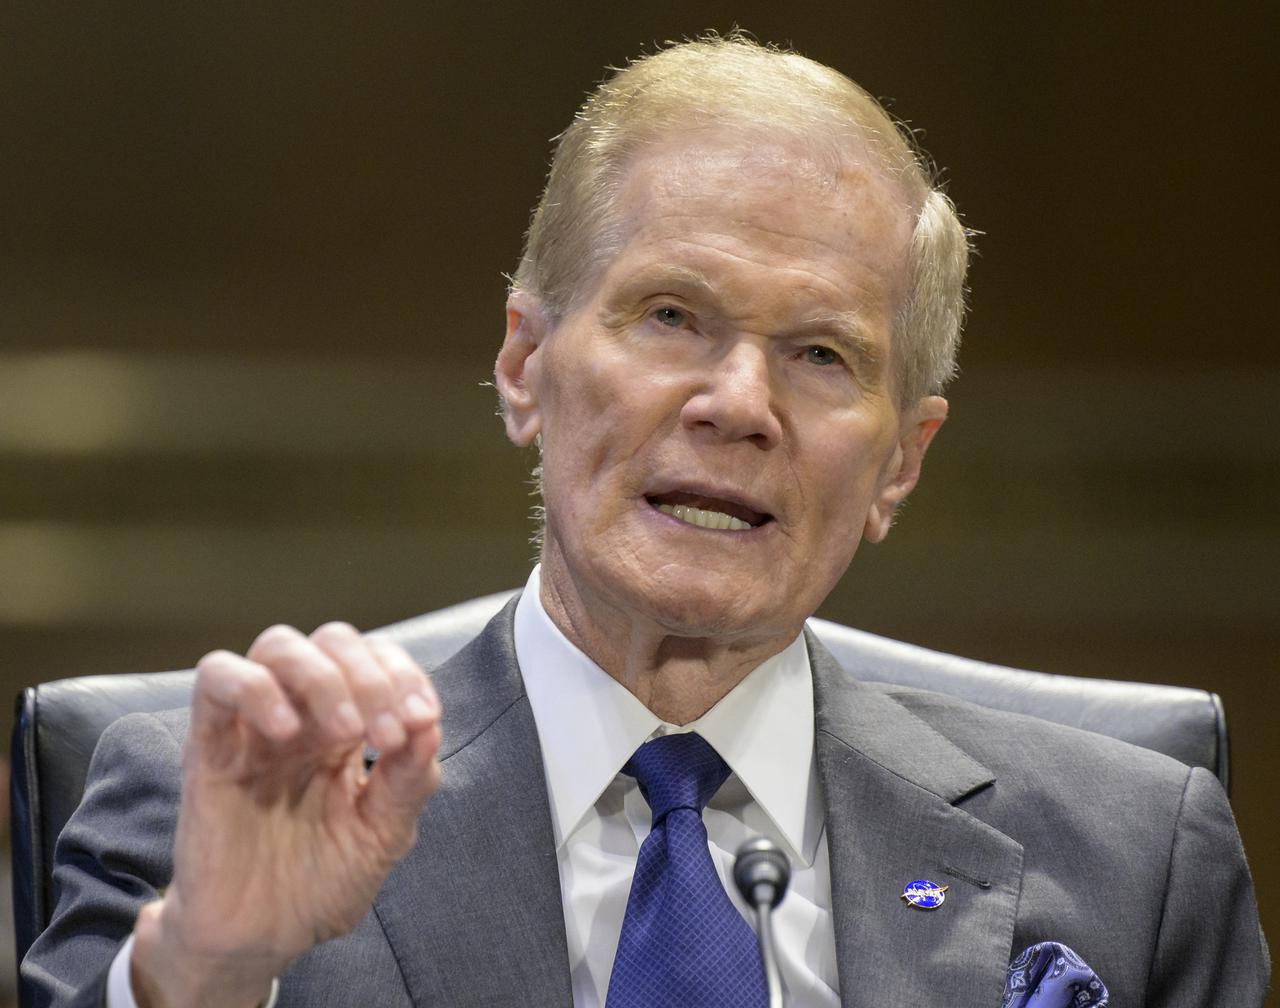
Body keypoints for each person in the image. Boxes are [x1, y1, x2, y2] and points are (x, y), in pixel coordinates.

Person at [22, 34, 1268, 1008]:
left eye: (822, 353)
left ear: (900, 462)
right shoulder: (218, 796)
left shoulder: (1129, 862)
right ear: (523, 366)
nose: (739, 405)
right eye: (670, 315)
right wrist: (204, 972)